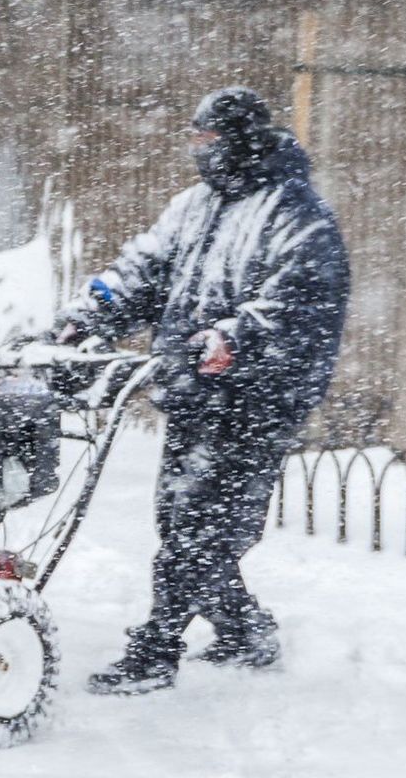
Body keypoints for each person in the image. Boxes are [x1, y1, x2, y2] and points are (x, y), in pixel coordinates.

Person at [50, 86, 350, 695]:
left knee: (203, 527)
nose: (199, 150)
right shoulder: (194, 206)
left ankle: (156, 649)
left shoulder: (297, 215)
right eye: (196, 140)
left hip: (258, 402)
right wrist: (87, 317)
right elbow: (141, 271)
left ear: (240, 142)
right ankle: (244, 632)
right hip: (194, 394)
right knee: (184, 521)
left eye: (209, 140)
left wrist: (232, 338)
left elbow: (299, 307)